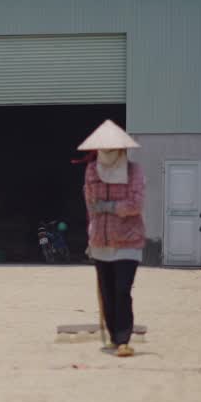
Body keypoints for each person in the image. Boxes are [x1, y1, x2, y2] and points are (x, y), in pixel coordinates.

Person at [79, 120, 146, 357]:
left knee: (122, 290)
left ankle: (123, 338)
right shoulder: (91, 171)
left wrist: (109, 206)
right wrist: (91, 237)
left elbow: (135, 205)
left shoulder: (134, 171)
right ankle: (113, 337)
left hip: (128, 242)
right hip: (100, 242)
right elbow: (90, 206)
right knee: (106, 292)